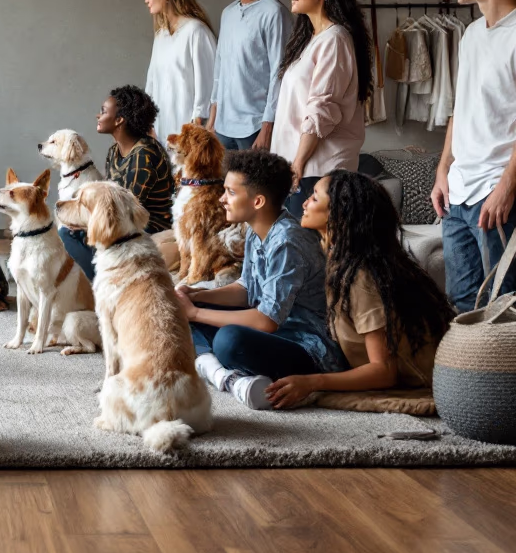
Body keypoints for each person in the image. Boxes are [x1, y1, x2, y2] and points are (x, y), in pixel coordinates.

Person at [266, 171, 455, 409]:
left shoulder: (361, 275)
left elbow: (384, 371)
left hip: (424, 380)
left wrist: (312, 382)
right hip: (354, 362)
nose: (304, 203)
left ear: (338, 214)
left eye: (314, 198)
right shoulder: (346, 259)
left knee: (237, 342)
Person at [175, 149, 342, 410]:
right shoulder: (257, 229)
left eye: (230, 192)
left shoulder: (287, 242)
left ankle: (214, 367)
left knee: (229, 341)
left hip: (305, 345)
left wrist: (195, 312)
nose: (222, 199)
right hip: (272, 328)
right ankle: (229, 379)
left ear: (258, 202)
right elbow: (245, 289)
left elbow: (266, 321)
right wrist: (196, 296)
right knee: (176, 310)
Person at [432, 0, 516, 313]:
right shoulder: (469, 34)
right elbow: (458, 109)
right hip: (458, 191)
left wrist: (506, 187)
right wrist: (443, 168)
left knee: (504, 305)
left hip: (496, 192)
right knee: (461, 303)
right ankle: (466, 377)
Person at [271, 0, 372, 217]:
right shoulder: (312, 40)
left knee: (312, 251)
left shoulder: (335, 39)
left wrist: (298, 162)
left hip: (316, 169)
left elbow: (321, 108)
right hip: (301, 166)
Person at [60, 85, 175, 279]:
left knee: (73, 232)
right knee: (66, 232)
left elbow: (125, 208)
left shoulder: (145, 154)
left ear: (119, 120)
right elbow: (108, 198)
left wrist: (87, 222)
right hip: (122, 221)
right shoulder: (114, 152)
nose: (98, 116)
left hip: (145, 227)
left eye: (104, 111)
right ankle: (97, 283)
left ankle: (102, 283)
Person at [208, 0, 293, 152]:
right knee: (224, 186)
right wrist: (212, 120)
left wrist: (267, 127)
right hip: (223, 128)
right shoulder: (228, 13)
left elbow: (280, 72)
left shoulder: (274, 13)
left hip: (254, 127)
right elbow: (220, 69)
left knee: (256, 187)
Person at [143, 0, 217, 144]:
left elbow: (209, 81)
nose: (146, 0)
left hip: (190, 132)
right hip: (161, 131)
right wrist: (145, 121)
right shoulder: (161, 36)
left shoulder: (196, 31)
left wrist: (198, 123)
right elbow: (151, 82)